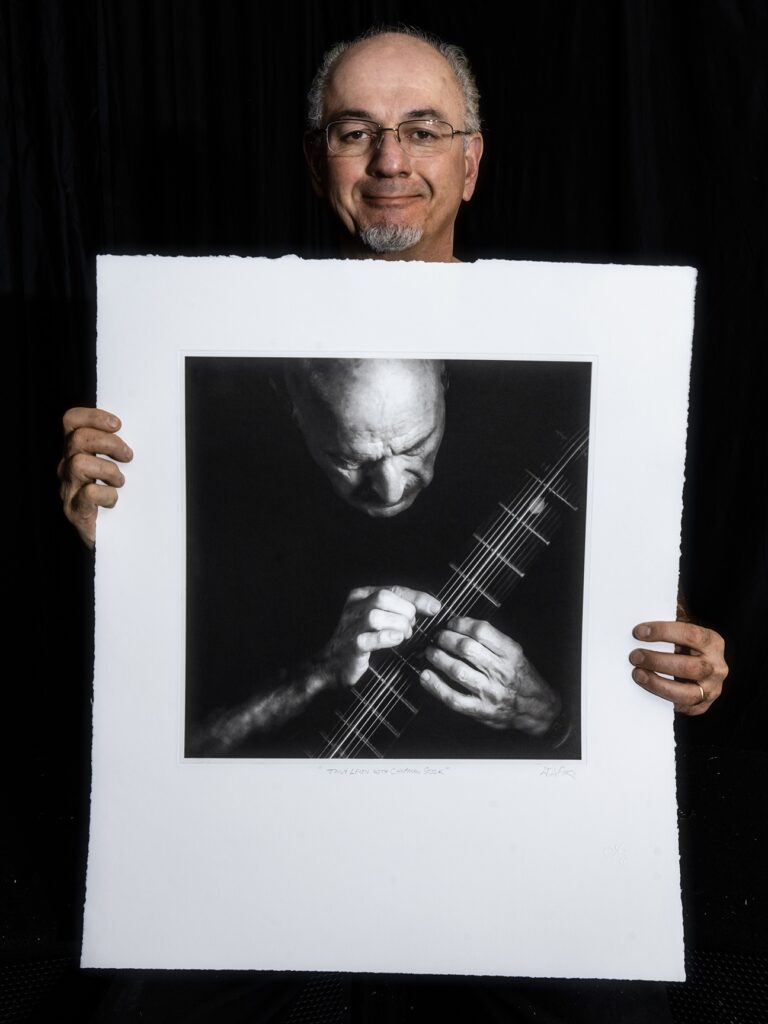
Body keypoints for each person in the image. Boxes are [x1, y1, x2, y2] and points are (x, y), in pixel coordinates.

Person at [185, 356, 583, 757]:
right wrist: (319, 674)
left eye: (415, 446)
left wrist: (550, 717)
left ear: (444, 378)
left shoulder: (525, 431)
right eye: (351, 459)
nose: (391, 491)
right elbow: (181, 746)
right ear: (293, 407)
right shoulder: (216, 487)